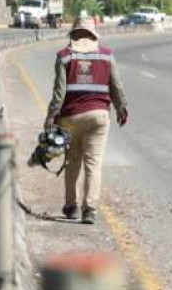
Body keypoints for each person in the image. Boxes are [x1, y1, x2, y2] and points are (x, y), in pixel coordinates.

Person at [43, 17, 128, 224]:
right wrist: (122, 108)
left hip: (70, 118)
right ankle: (89, 209)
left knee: (72, 162)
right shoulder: (107, 56)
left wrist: (51, 117)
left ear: (73, 35)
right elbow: (116, 86)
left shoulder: (64, 57)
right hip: (98, 117)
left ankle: (71, 207)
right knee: (94, 163)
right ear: (93, 36)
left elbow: (59, 93)